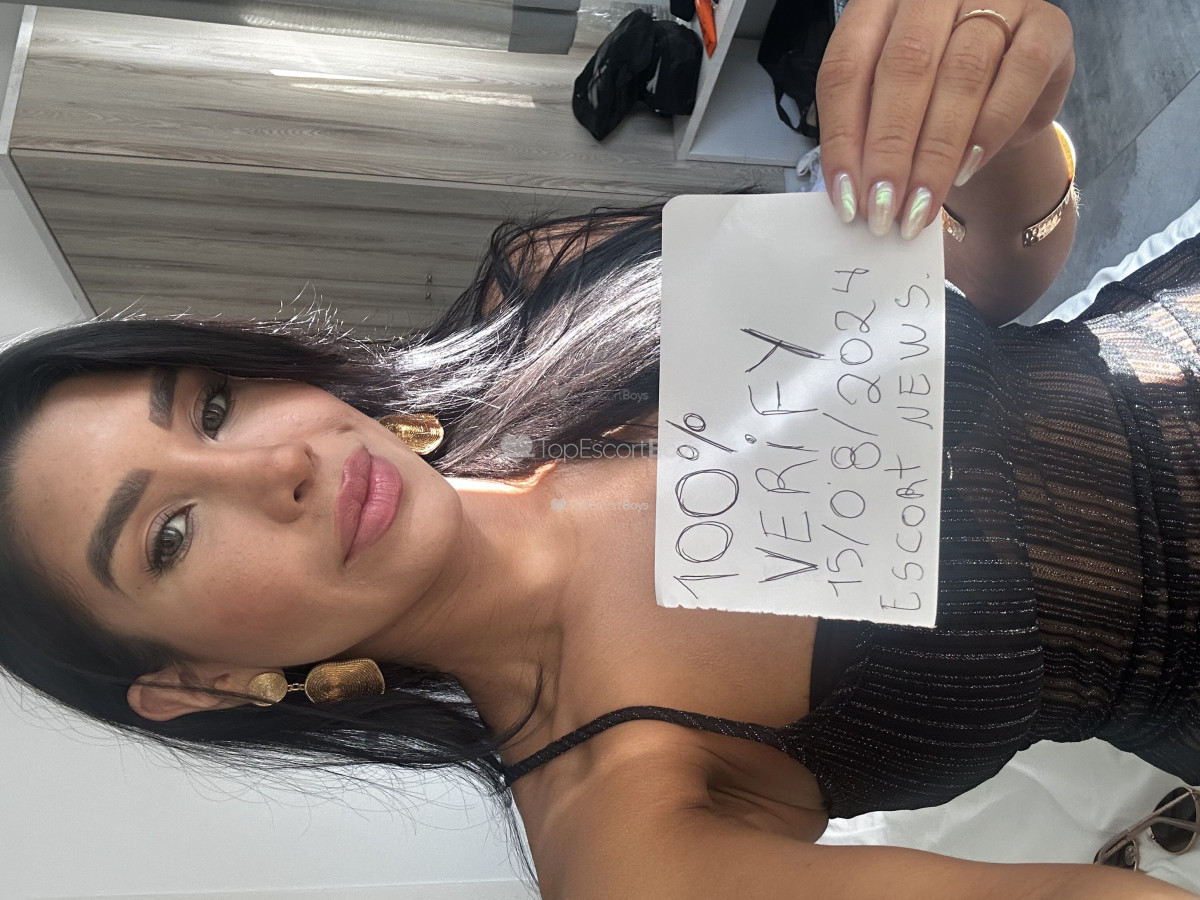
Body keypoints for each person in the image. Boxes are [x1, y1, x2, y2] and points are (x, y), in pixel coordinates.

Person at [1, 0, 1198, 897]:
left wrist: (1007, 122)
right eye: (169, 534)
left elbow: (994, 272)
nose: (277, 468)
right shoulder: (624, 833)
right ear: (200, 683)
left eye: (213, 408)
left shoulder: (552, 287)